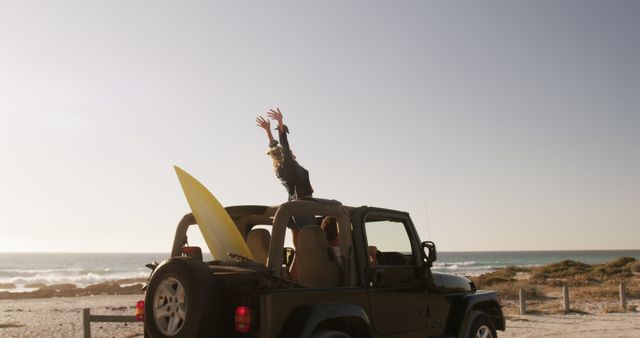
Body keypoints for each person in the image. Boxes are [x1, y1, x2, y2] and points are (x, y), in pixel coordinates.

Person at [256, 108, 315, 247]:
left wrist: (268, 131)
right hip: (303, 207)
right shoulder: (288, 165)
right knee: (312, 243)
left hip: (293, 206)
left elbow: (276, 150)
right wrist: (280, 122)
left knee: (299, 246)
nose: (291, 152)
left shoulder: (280, 169)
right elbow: (284, 146)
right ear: (285, 156)